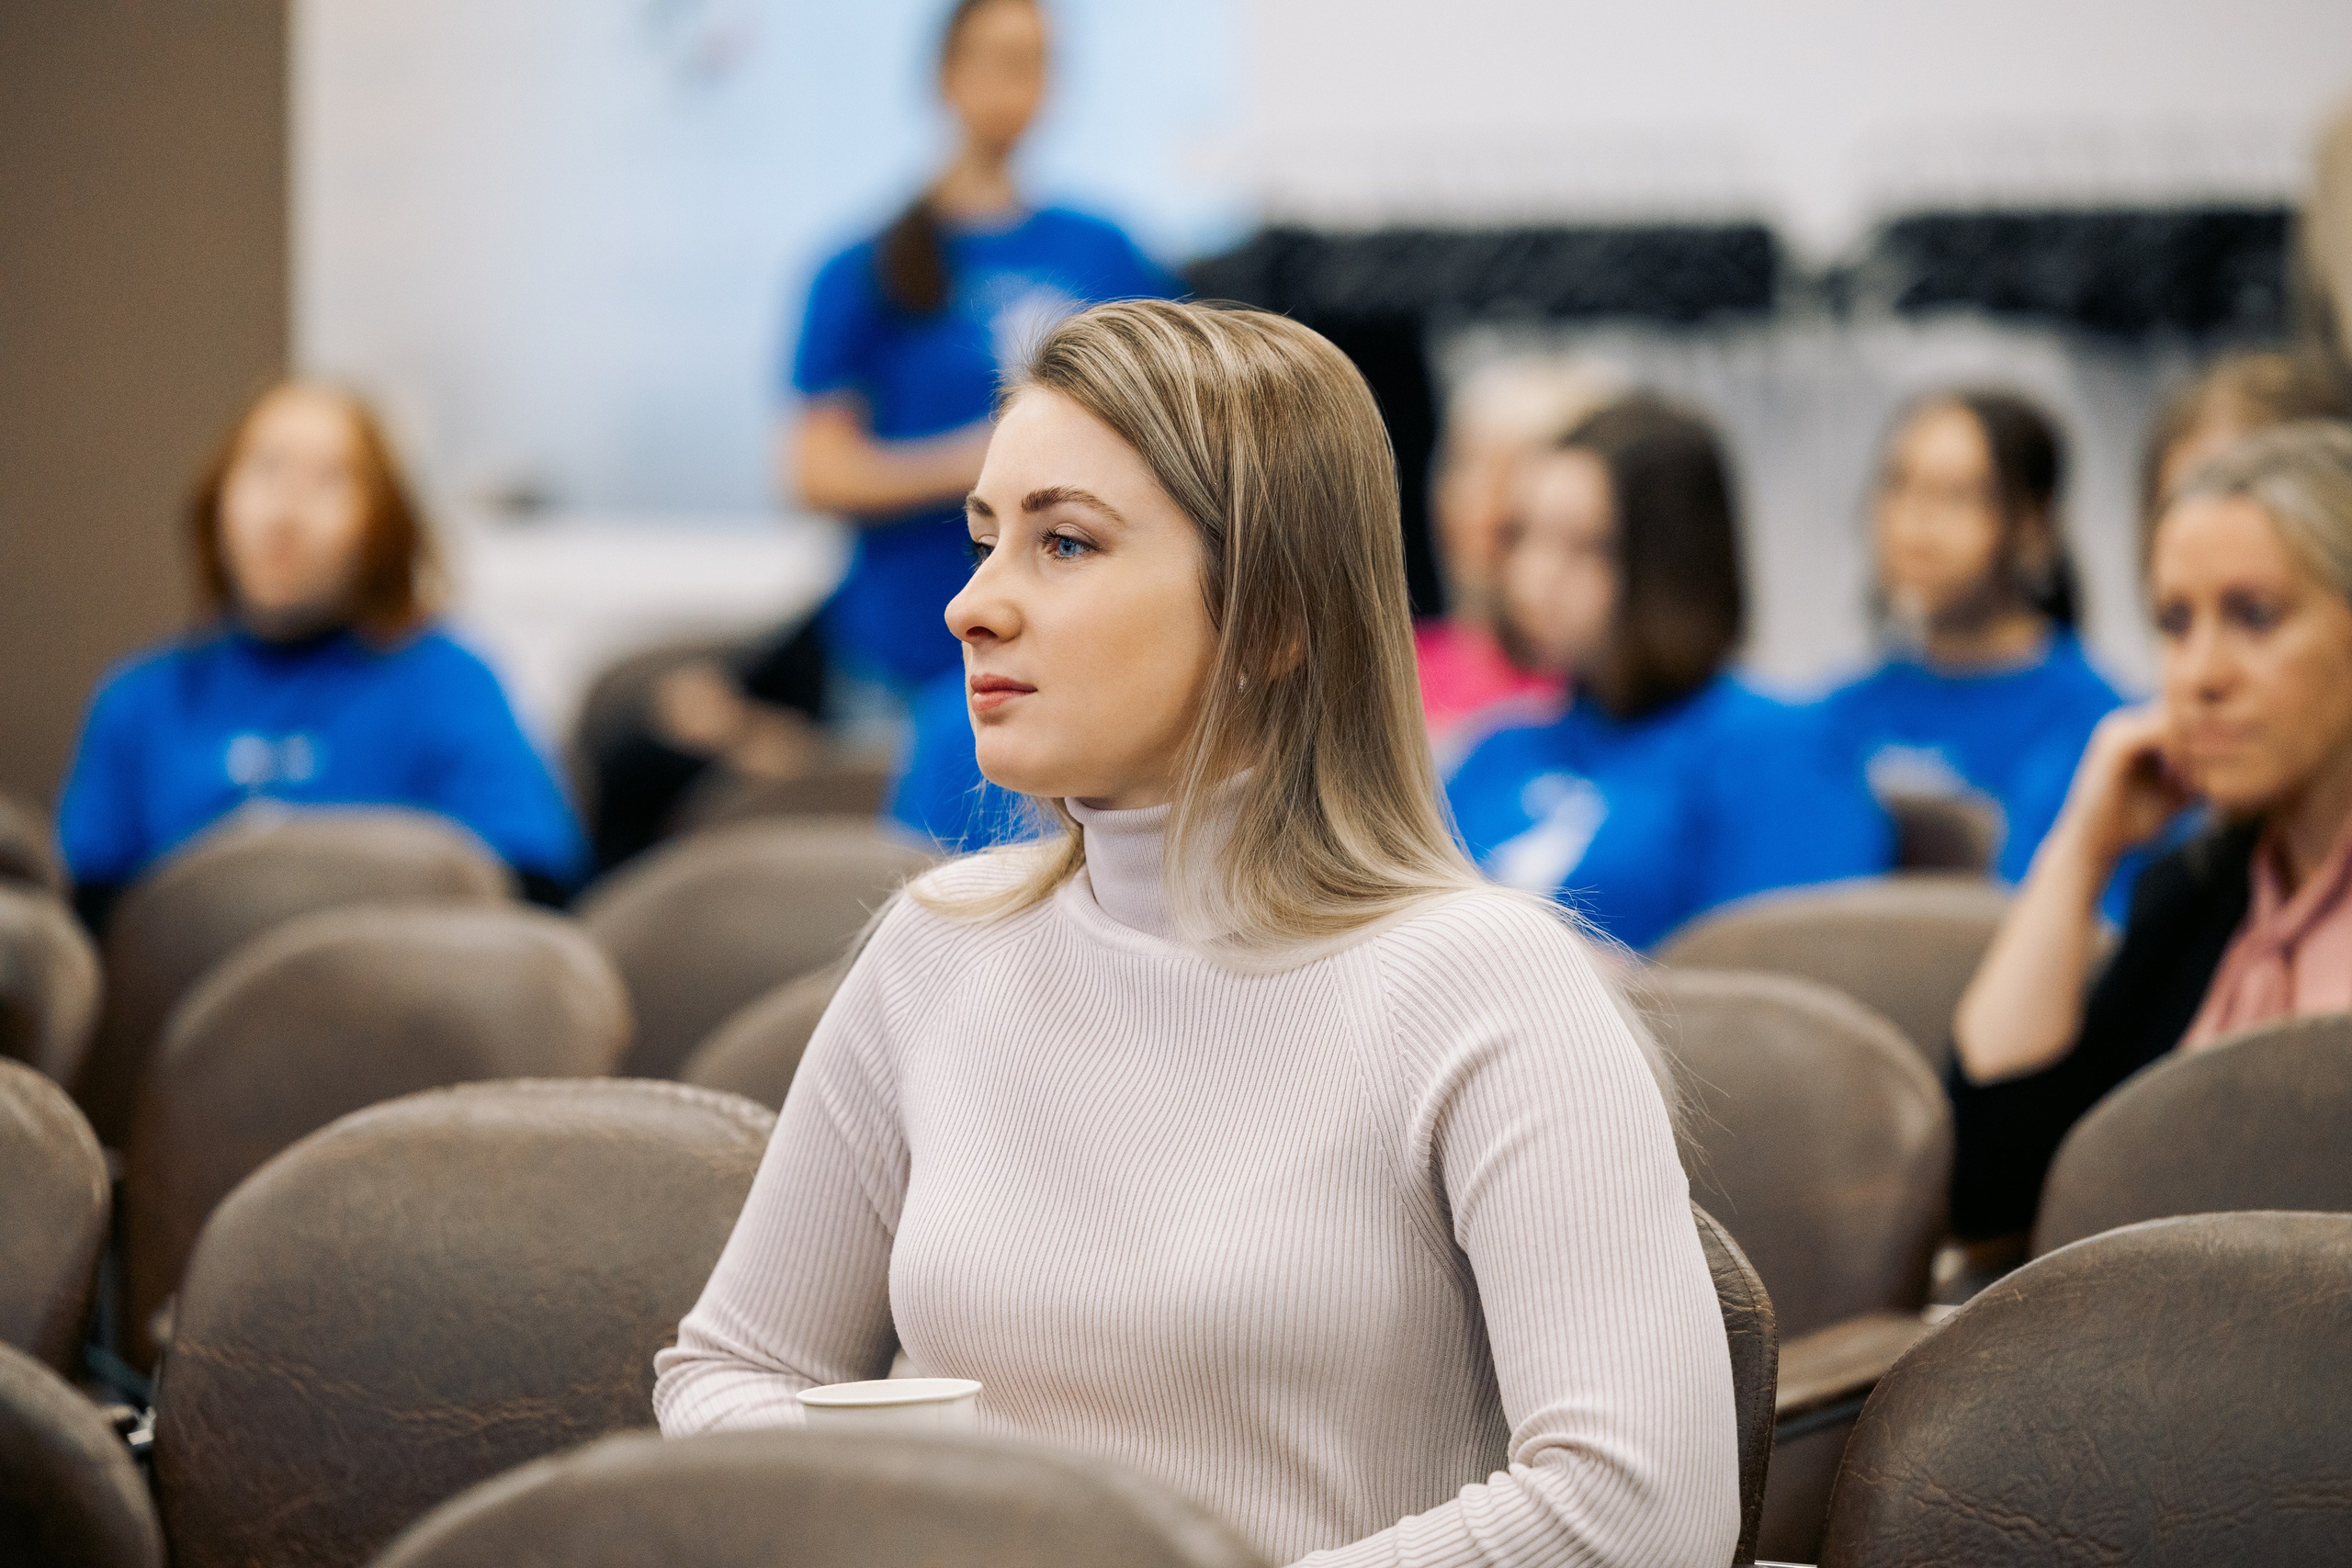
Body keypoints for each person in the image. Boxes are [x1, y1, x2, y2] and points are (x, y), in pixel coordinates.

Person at [654, 301, 1739, 1567]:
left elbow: (1642, 1506)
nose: (971, 606)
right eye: (984, 539)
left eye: (1064, 542)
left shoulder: (1486, 985)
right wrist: (899, 1509)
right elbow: (728, 1370)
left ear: (1273, 617)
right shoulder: (936, 947)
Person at [589, 0, 1177, 870]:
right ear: (945, 77)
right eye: (995, 59)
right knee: (911, 874)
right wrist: (994, 460)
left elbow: (1172, 442)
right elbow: (816, 470)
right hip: (900, 641)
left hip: (1068, 635)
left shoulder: (1107, 254)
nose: (1015, 85)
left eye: (1035, 63)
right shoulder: (864, 266)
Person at [1949, 422, 2352, 1240]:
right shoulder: (2199, 893)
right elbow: (1989, 1185)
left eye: (2254, 616)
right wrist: (2083, 849)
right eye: (2174, 621)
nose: (2200, 674)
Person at [56, 383, 583, 931]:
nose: (287, 511)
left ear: (383, 524)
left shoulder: (451, 685)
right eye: (267, 468)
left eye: (330, 478)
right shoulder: (140, 701)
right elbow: (91, 915)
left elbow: (533, 892)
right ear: (217, 502)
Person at [1446, 396, 1891, 952]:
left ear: (1674, 566)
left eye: (1586, 547)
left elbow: (1781, 984)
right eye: (1523, 537)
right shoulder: (1497, 752)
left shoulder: (1780, 750)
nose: (1534, 576)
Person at [1814, 391, 2126, 892]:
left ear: (2032, 527)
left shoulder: (2102, 732)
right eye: (1899, 485)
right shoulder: (1835, 718)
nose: (1916, 522)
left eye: (1956, 495)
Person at [1416, 356, 1611, 750]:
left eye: (1513, 471)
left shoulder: (1609, 692)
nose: (1478, 506)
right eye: (1464, 466)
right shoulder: (1387, 668)